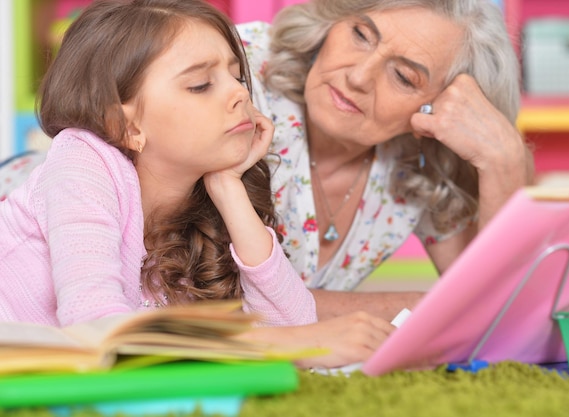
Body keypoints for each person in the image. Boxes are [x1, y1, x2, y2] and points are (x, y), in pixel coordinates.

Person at [0, 0, 393, 369]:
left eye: (237, 76)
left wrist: (229, 188)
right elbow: (97, 330)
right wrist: (290, 346)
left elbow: (293, 323)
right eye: (201, 85)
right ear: (126, 125)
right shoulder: (82, 162)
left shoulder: (202, 196)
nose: (241, 92)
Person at [237, 0, 535, 321]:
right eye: (361, 35)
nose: (359, 77)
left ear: (442, 108)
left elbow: (497, 311)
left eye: (404, 77)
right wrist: (420, 306)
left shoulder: (419, 163)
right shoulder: (238, 71)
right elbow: (200, 300)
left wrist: (504, 159)